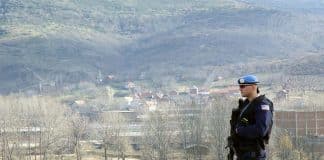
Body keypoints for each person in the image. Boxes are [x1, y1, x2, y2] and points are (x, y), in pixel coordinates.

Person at [233, 75, 274, 160]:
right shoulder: (247, 104)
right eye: (240, 86)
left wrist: (239, 130)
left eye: (243, 86)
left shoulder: (262, 105)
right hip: (243, 154)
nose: (240, 89)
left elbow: (261, 130)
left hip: (254, 154)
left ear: (253, 87)